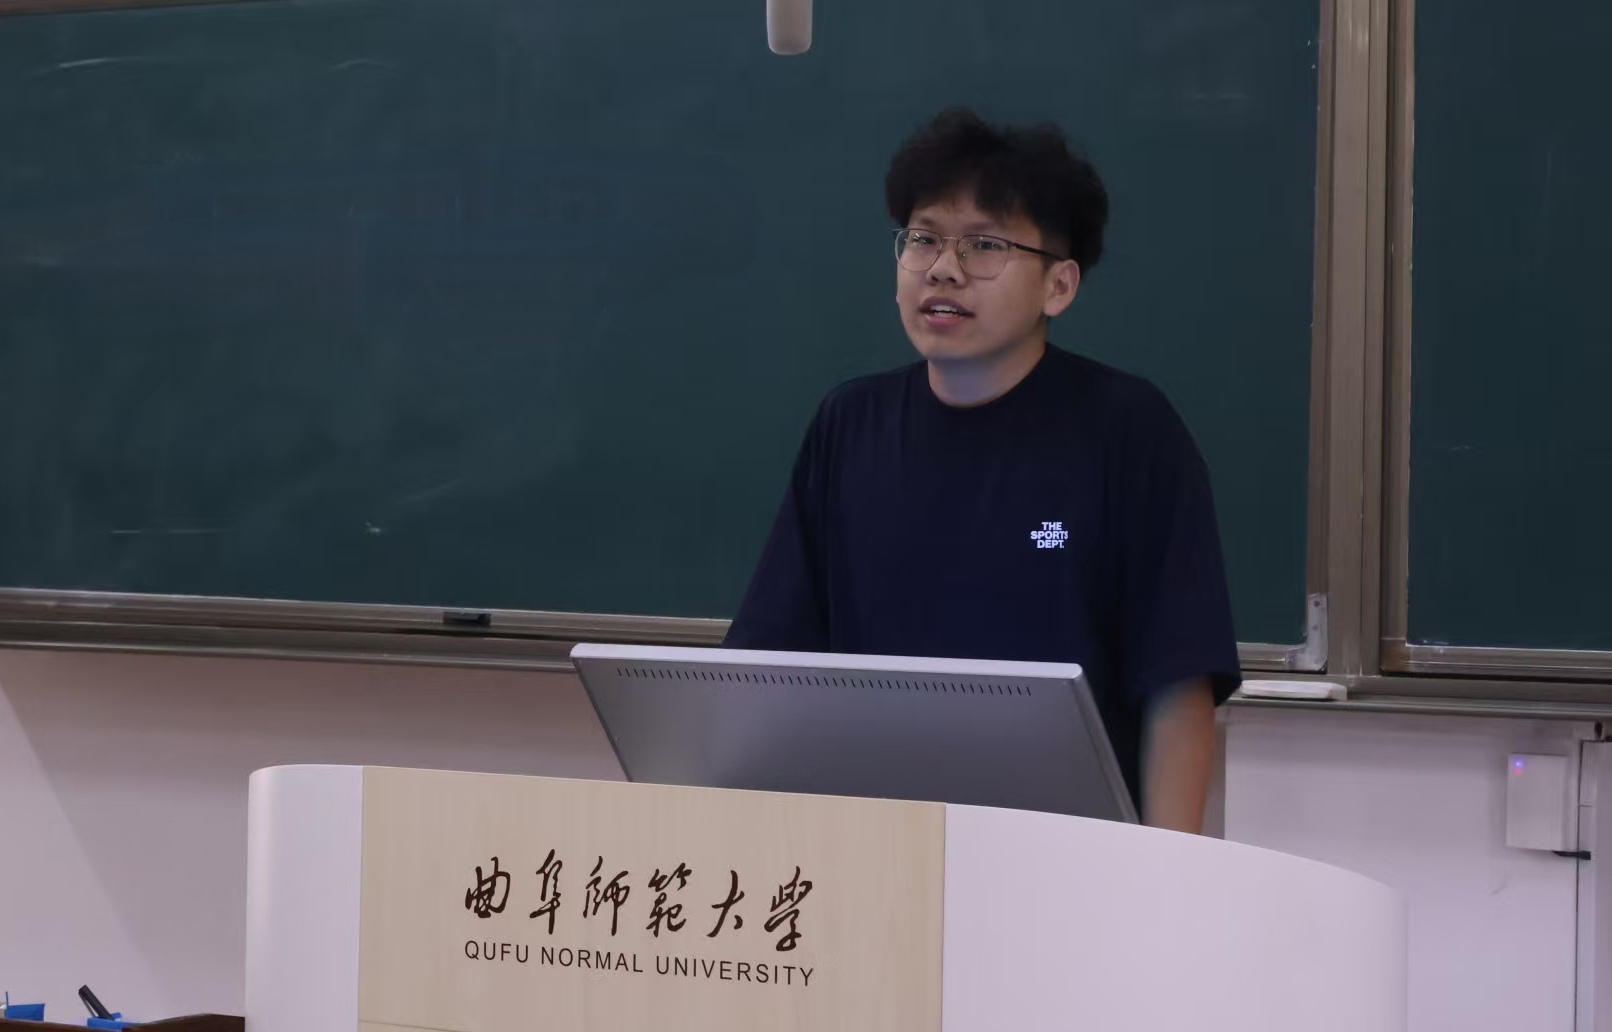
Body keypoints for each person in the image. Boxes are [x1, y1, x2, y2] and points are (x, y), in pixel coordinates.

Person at [723, 107, 1241, 834]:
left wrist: (1164, 874)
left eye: (985, 245)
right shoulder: (850, 424)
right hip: (879, 845)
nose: (943, 268)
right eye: (923, 238)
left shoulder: (1130, 431)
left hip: (1072, 851)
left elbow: (1178, 686)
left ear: (1059, 286)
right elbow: (765, 673)